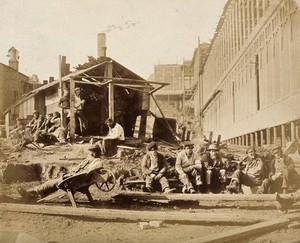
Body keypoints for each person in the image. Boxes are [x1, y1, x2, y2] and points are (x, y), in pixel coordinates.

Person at [17, 145, 104, 199]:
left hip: (72, 181)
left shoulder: (96, 162)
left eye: (89, 154)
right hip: (74, 179)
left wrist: (70, 175)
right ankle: (35, 194)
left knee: (49, 183)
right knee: (52, 185)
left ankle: (29, 192)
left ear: (93, 154)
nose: (88, 155)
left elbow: (86, 172)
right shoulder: (92, 161)